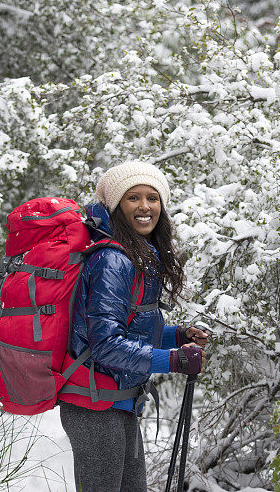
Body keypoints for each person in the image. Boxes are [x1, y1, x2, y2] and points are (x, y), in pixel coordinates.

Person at [60, 161, 209, 492]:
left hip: (116, 402)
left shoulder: (135, 254)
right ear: (116, 206)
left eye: (153, 198)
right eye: (133, 198)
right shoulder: (113, 261)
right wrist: (172, 359)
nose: (145, 207)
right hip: (94, 406)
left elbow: (126, 328)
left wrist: (178, 336)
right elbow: (106, 345)